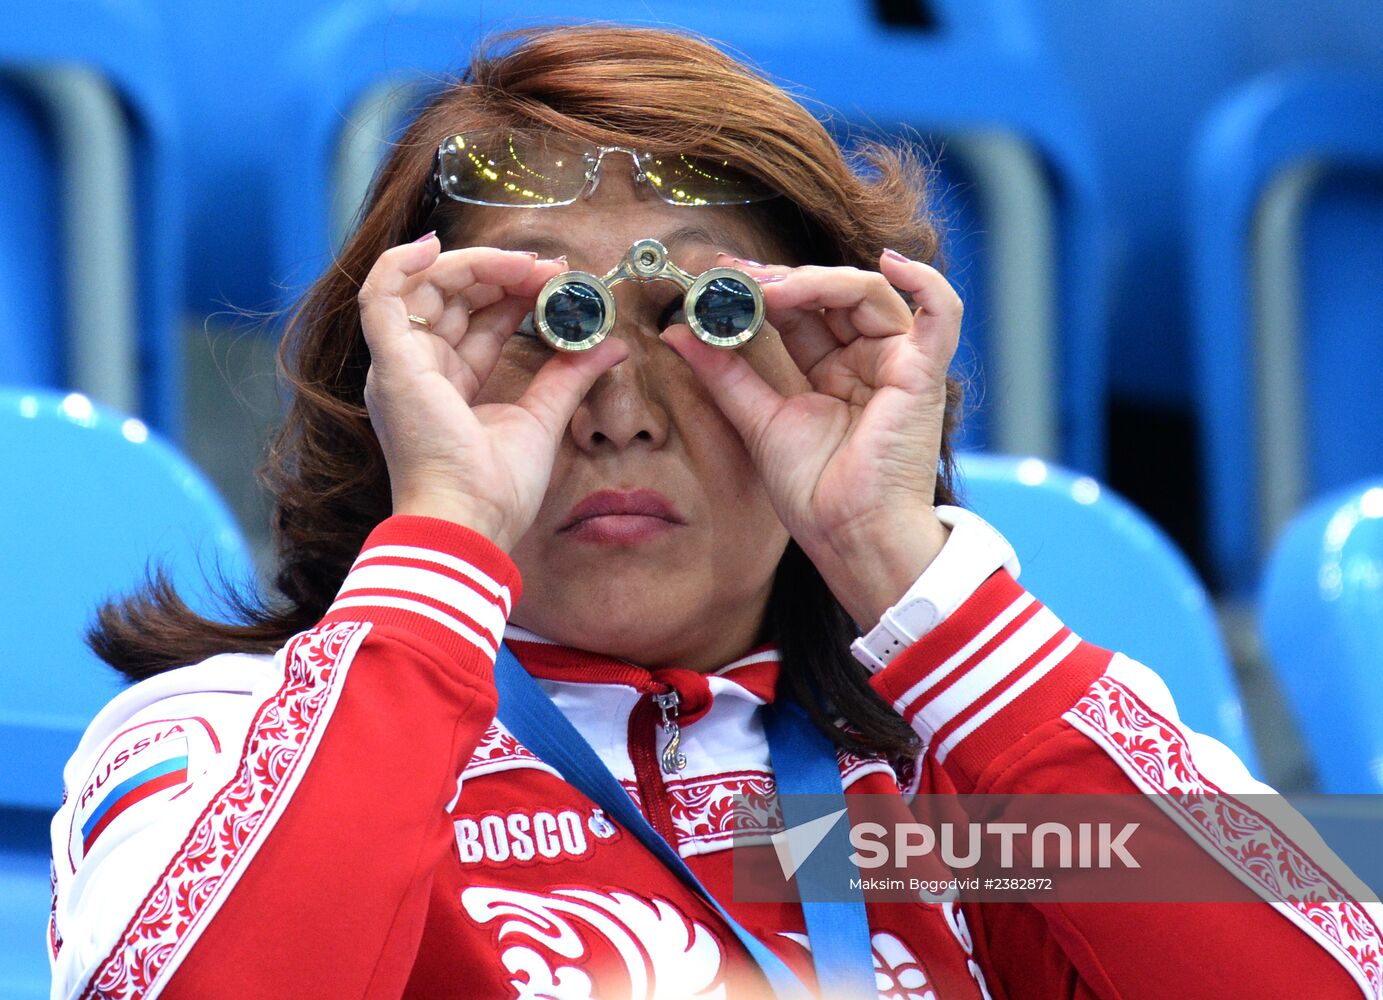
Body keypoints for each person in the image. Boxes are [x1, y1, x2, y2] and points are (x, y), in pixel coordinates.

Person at [48, 23, 1381, 1000]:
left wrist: (898, 560)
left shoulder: (939, 799)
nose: (618, 411)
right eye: (537, 323)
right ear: (394, 391)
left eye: (711, 316)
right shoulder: (223, 736)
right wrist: (443, 542)